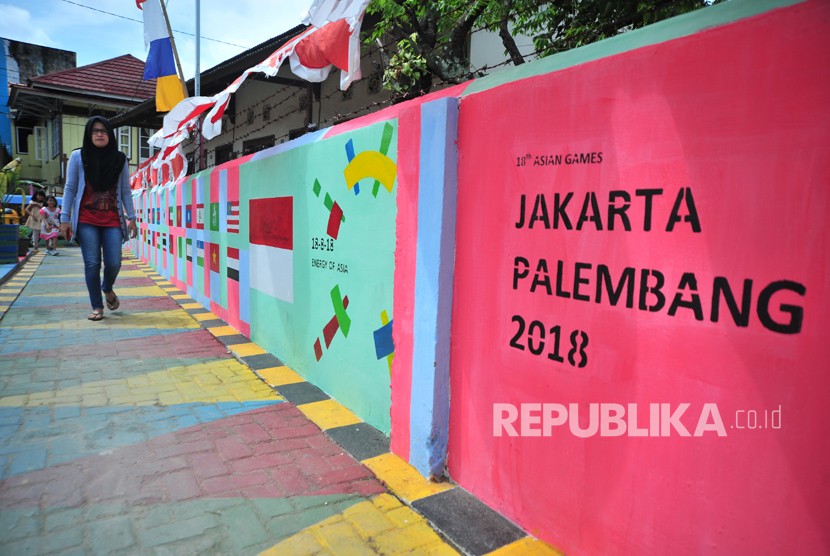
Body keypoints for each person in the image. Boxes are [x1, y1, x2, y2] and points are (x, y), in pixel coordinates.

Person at [60, 116, 137, 321]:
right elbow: (70, 188)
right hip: (86, 219)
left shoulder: (120, 159)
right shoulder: (78, 157)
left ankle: (107, 287)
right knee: (92, 263)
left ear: (110, 135)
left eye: (103, 131)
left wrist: (132, 217)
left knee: (114, 262)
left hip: (112, 219)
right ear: (89, 134)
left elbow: (126, 191)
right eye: (95, 131)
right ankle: (97, 306)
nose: (100, 134)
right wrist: (64, 219)